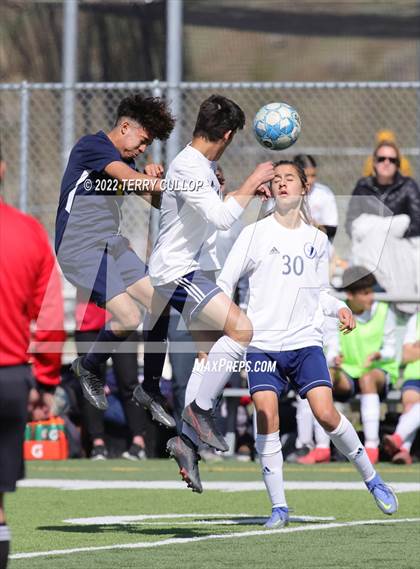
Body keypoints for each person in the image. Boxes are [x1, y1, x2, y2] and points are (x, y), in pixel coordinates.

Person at [217, 160, 398, 528]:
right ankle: (279, 507)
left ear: (304, 189)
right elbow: (224, 282)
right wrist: (230, 322)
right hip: (263, 344)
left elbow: (320, 294)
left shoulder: (317, 239)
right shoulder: (254, 234)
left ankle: (372, 478)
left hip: (303, 342)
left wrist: (340, 308)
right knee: (265, 414)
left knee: (326, 413)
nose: (282, 184)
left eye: (290, 179)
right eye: (277, 179)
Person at [147, 94, 274, 492]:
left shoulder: (200, 164)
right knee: (242, 330)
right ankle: (200, 411)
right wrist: (251, 183)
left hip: (188, 270)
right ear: (228, 134)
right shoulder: (188, 166)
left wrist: (243, 193)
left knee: (211, 352)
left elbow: (208, 211)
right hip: (176, 272)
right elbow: (220, 220)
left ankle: (185, 443)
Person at [55, 93, 176, 429]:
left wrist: (154, 183)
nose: (142, 149)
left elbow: (152, 201)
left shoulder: (126, 164)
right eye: (143, 141)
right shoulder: (92, 146)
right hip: (79, 247)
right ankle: (89, 365)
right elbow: (131, 179)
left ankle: (149, 389)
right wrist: (156, 182)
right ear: (125, 127)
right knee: (128, 316)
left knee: (161, 303)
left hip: (111, 245)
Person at [0, 147, 65, 569]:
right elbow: (51, 316)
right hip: (9, 381)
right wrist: (44, 382)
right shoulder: (28, 232)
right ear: (3, 169)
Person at [328, 266, 399, 464]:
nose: (371, 297)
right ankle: (321, 448)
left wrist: (379, 355)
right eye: (366, 293)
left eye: (371, 291)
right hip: (349, 372)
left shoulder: (384, 310)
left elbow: (392, 350)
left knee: (368, 379)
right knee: (324, 378)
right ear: (350, 295)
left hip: (379, 372)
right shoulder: (338, 311)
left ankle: (371, 446)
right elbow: (332, 346)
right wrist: (335, 359)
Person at [74, 297, 147, 460]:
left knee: (129, 381)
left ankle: (138, 441)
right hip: (89, 323)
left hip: (123, 319)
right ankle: (97, 444)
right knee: (91, 384)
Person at [346, 140, 420, 238]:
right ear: (374, 162)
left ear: (397, 164)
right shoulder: (363, 186)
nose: (386, 162)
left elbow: (417, 223)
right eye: (381, 159)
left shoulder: (408, 186)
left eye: (392, 160)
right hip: (369, 244)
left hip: (400, 244)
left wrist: (390, 234)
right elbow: (351, 223)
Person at [383, 310, 420, 464]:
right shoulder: (416, 318)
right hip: (415, 374)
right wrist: (412, 351)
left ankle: (400, 442)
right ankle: (404, 449)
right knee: (410, 401)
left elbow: (413, 351)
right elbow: (406, 355)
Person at [293, 154, 338, 242]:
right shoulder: (283, 192)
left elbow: (332, 230)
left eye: (313, 176)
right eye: (306, 176)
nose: (310, 181)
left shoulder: (324, 193)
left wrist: (314, 226)